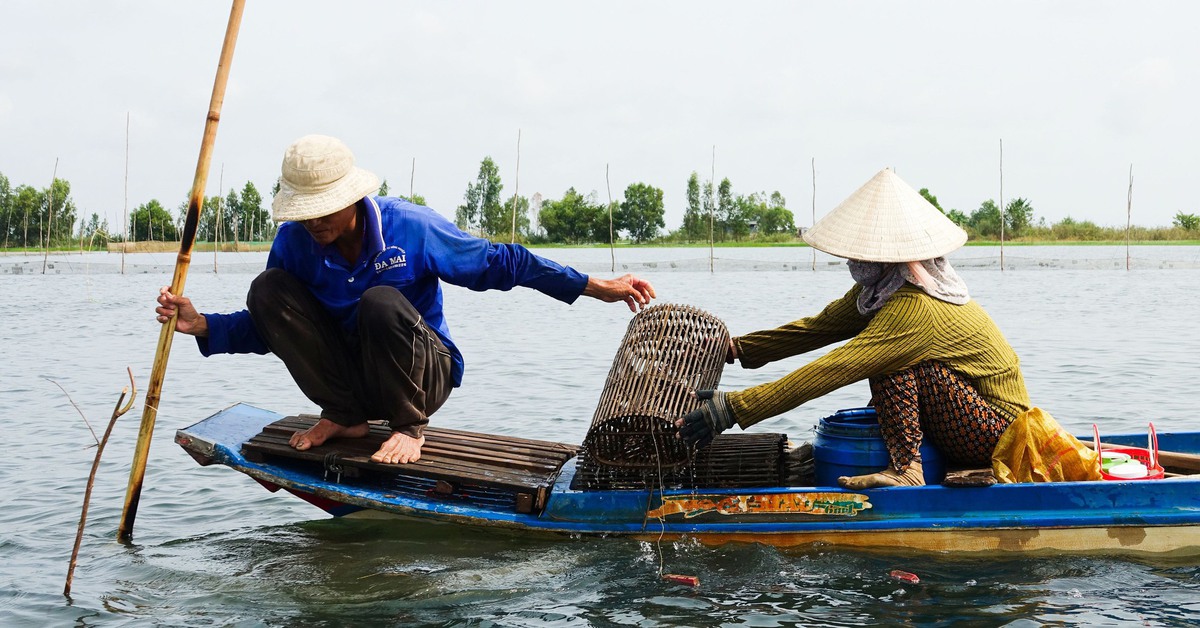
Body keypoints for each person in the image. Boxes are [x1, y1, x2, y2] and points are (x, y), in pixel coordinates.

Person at [157, 134, 655, 464]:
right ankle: (347, 416)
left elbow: (503, 263)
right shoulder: (294, 244)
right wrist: (203, 325)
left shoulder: (409, 227)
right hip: (354, 378)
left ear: (352, 197)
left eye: (325, 209)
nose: (316, 222)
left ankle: (409, 429)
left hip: (422, 375)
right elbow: (276, 325)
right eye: (306, 212)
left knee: (380, 301)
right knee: (266, 289)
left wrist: (592, 286)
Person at [677, 168, 1031, 488]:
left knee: (886, 363)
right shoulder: (884, 290)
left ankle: (907, 469)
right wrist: (739, 348)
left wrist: (735, 408)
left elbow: (837, 367)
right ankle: (904, 461)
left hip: (1000, 433)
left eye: (860, 253)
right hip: (966, 418)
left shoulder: (915, 307)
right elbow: (819, 327)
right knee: (886, 361)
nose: (852, 261)